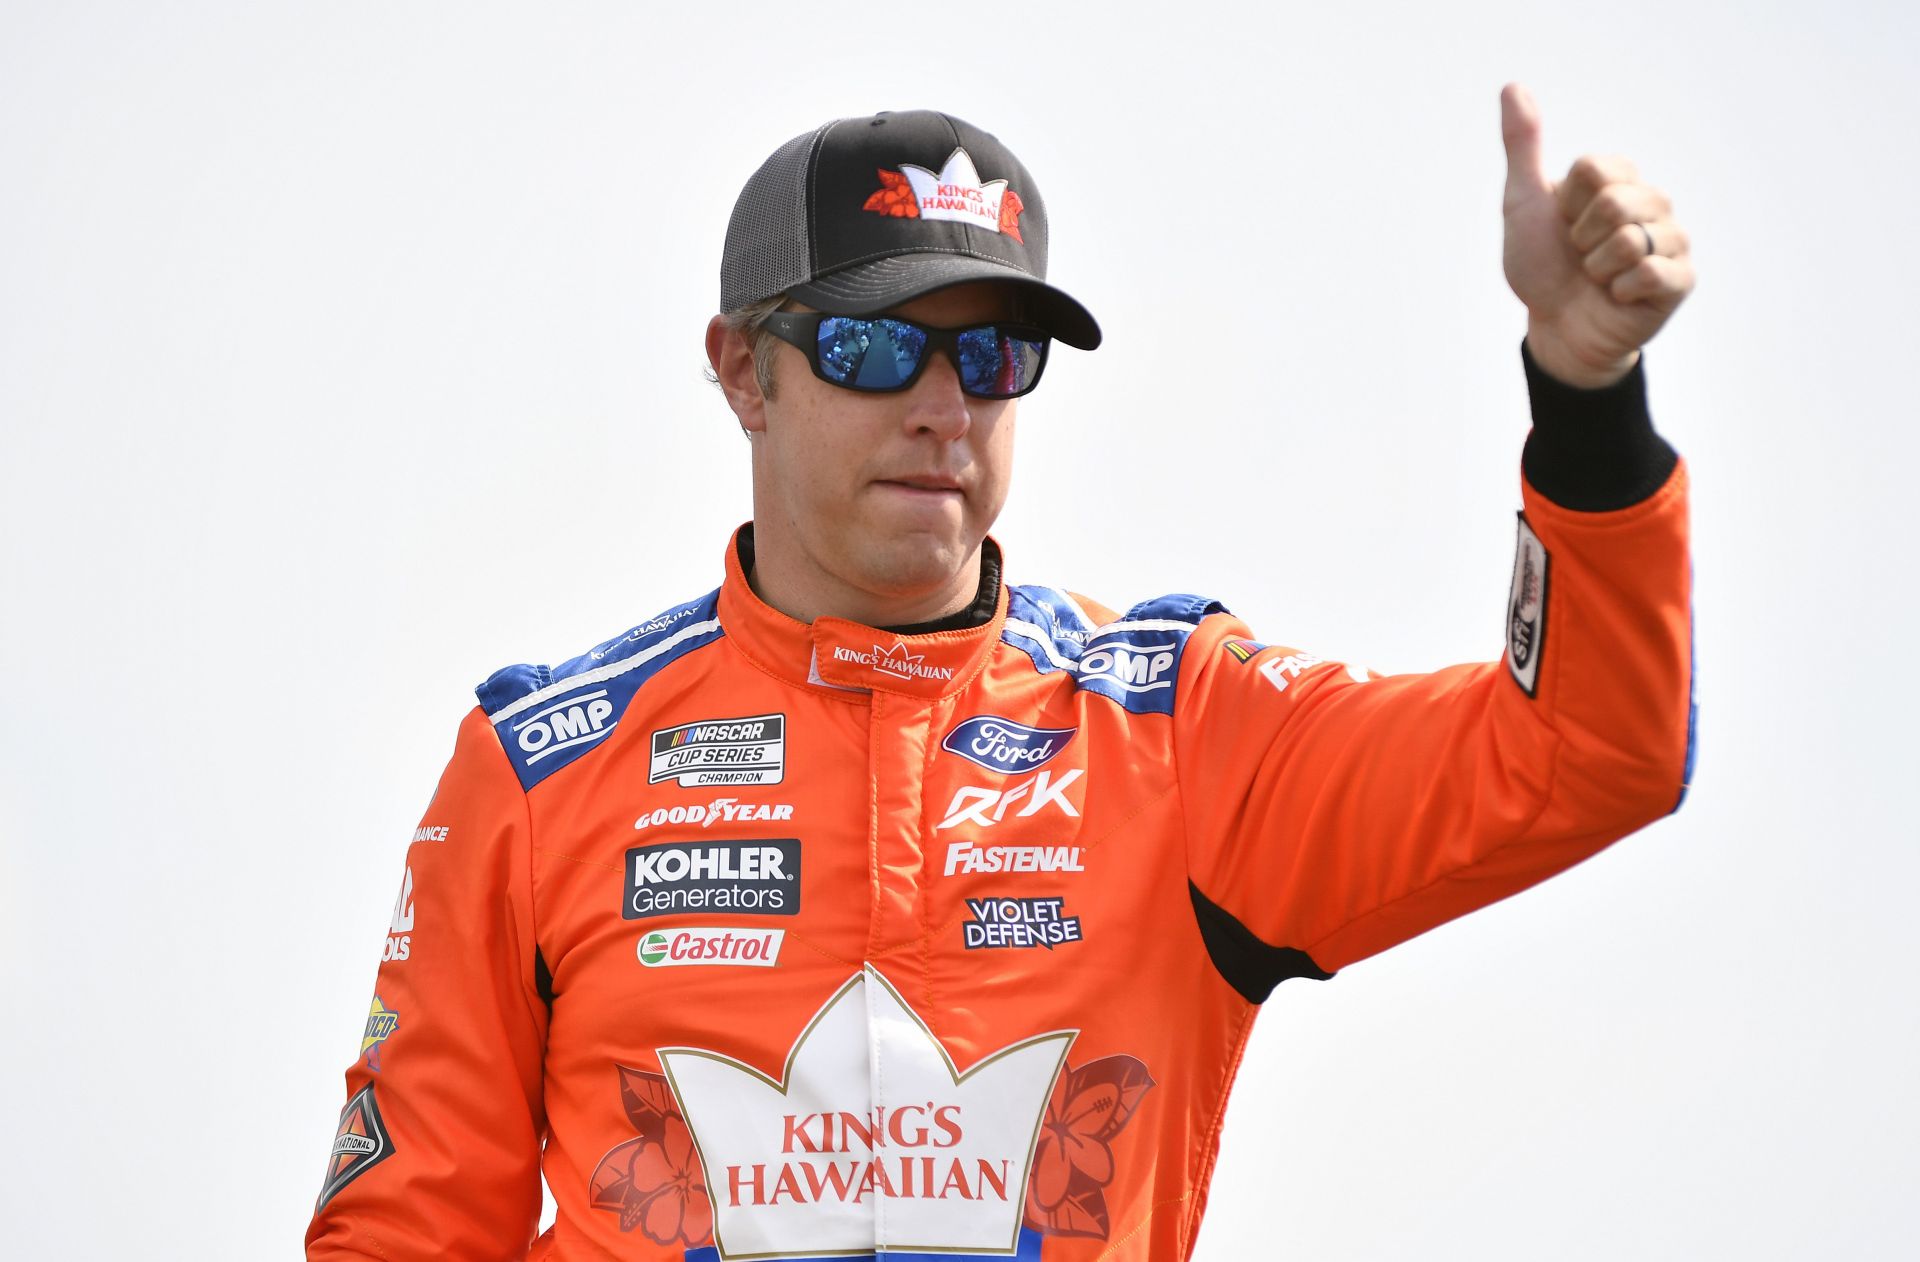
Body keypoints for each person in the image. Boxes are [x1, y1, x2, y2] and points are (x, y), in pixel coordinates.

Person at [307, 86, 1697, 1261]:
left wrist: (1587, 402)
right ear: (743, 372)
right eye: (871, 345)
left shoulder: (1174, 725)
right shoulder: (545, 770)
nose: (940, 405)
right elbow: (403, 1234)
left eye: (992, 353)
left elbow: (1586, 754)